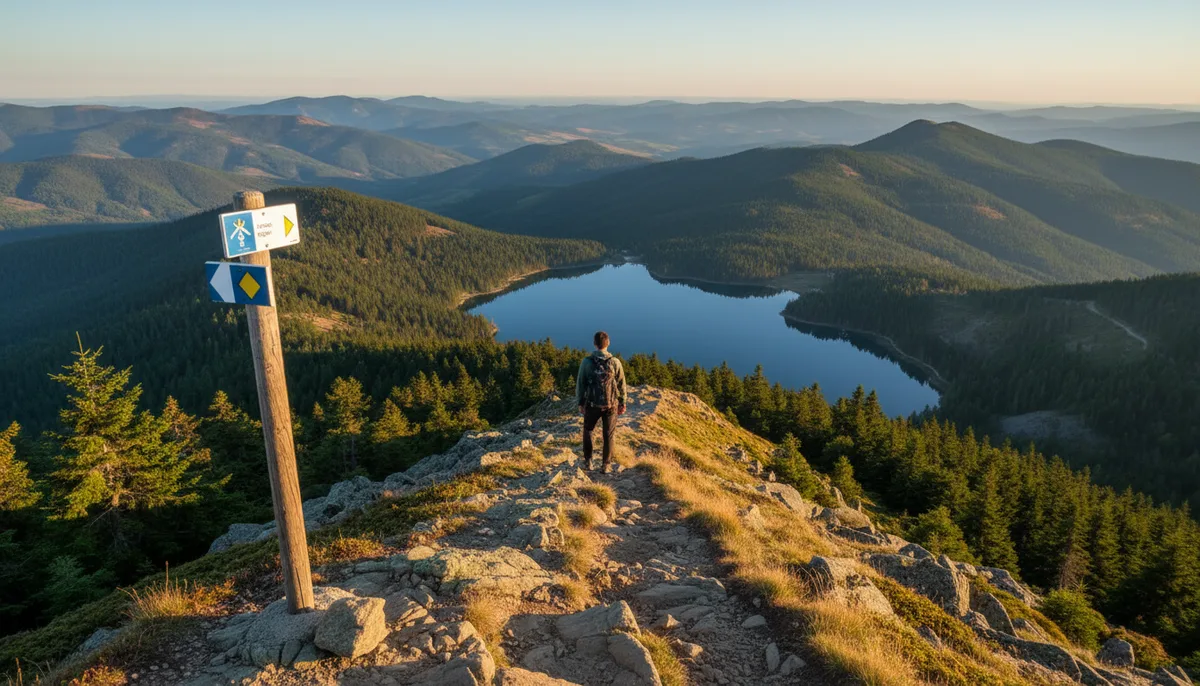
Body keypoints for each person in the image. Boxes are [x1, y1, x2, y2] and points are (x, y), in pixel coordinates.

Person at [576, 330, 627, 472]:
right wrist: (622, 402)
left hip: (592, 404)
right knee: (608, 434)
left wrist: (580, 403)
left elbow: (581, 383)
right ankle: (606, 465)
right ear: (608, 343)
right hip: (611, 405)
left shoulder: (587, 362)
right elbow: (621, 383)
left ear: (594, 344)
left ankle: (588, 462)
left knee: (588, 431)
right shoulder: (615, 362)